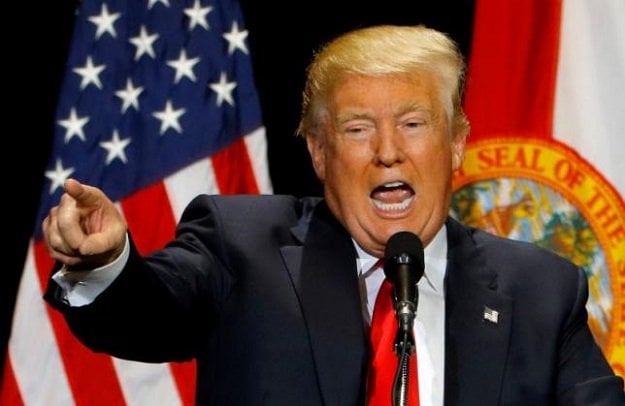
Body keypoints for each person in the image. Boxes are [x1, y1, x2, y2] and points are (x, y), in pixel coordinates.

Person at [43, 25, 623, 405]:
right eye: (357, 129)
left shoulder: (541, 290)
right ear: (319, 153)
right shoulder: (241, 247)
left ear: (455, 145)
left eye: (414, 124)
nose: (388, 150)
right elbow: (148, 312)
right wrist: (107, 263)